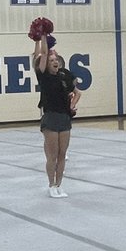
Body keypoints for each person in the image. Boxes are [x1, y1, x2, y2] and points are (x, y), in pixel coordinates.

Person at [34, 33, 80, 197]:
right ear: (46, 64)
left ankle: (59, 184)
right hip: (51, 117)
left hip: (64, 118)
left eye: (56, 60)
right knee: (52, 155)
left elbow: (76, 92)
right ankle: (51, 184)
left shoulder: (63, 77)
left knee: (62, 154)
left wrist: (72, 105)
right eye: (52, 60)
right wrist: (43, 36)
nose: (55, 62)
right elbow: (42, 54)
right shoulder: (43, 76)